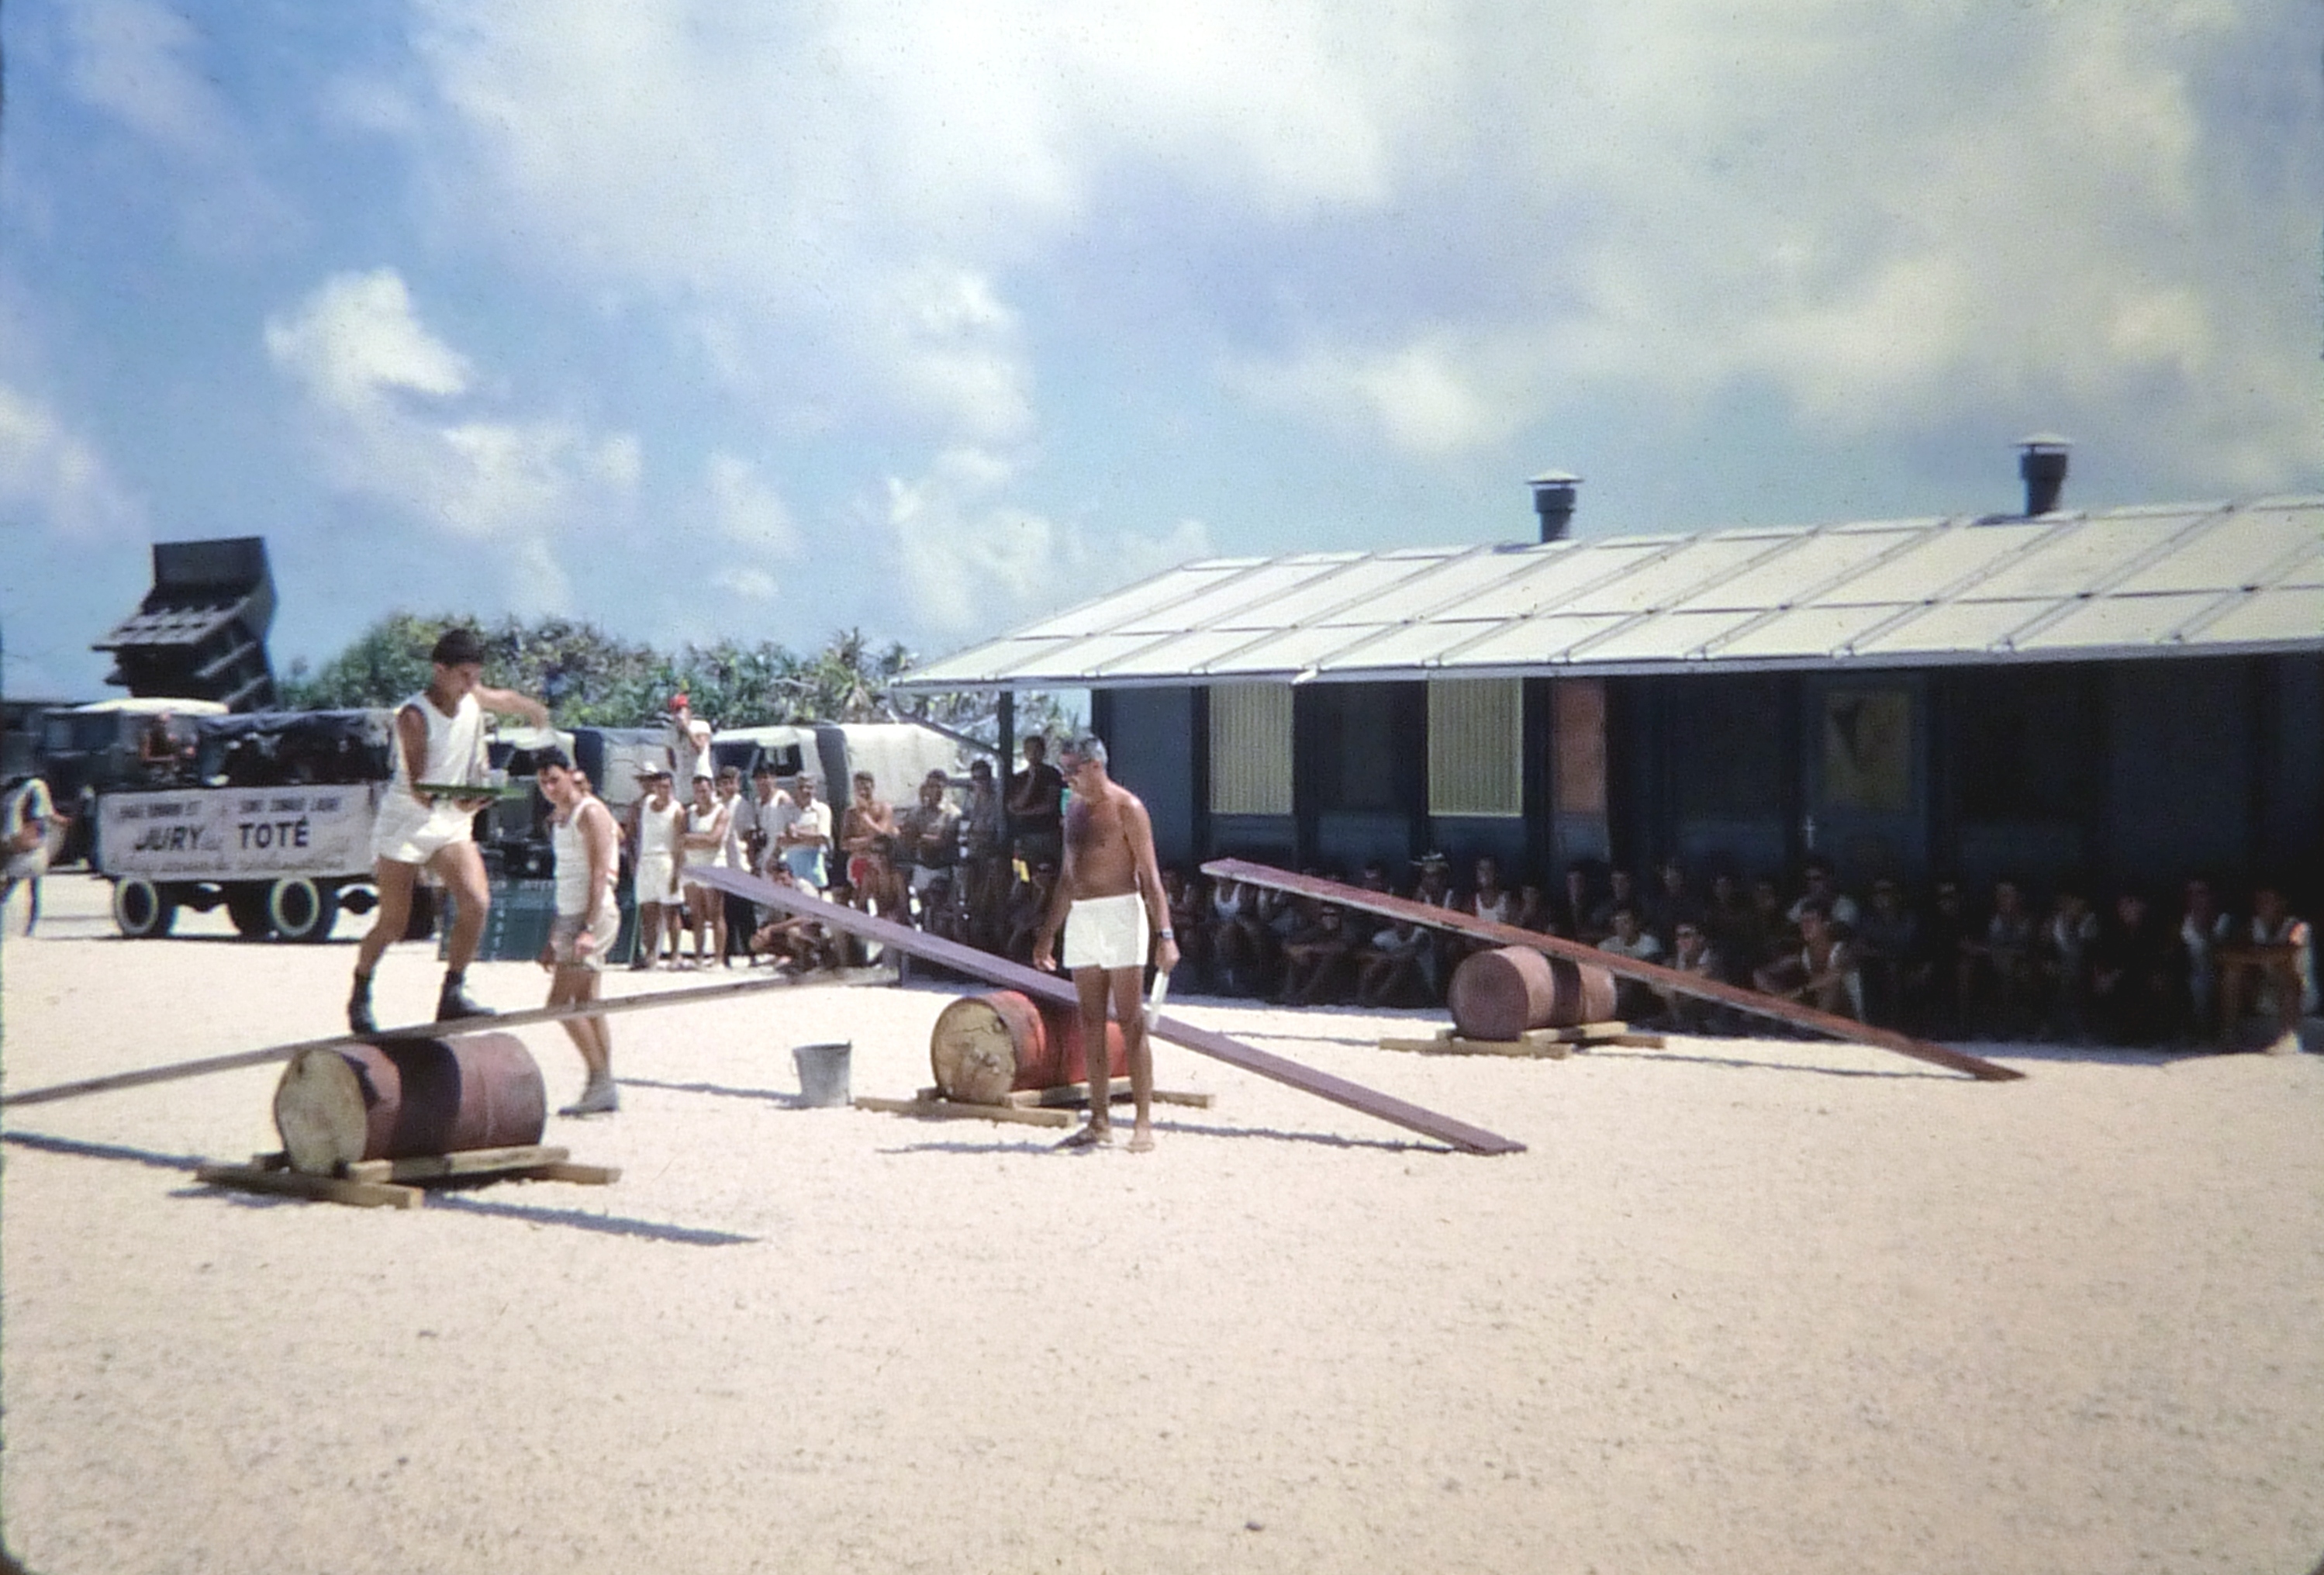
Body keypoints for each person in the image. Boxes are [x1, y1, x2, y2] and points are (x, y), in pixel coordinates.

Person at [347, 627, 551, 1034]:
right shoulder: (413, 716)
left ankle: (453, 992)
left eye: (476, 676)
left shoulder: (471, 696)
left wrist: (534, 711)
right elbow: (421, 789)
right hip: (407, 822)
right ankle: (360, 990)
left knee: (477, 902)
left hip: (451, 820)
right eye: (464, 676)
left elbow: (505, 700)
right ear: (440, 670)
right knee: (394, 923)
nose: (471, 684)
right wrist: (464, 800)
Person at [1031, 735, 1177, 1152]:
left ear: (1095, 766)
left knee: (1131, 1021)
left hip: (1121, 912)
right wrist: (1048, 933)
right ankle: (1099, 1121)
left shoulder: (1128, 808)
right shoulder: (1073, 809)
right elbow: (1068, 876)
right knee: (1090, 1020)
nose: (1066, 778)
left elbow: (1150, 878)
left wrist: (1165, 935)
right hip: (1083, 915)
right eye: (1064, 769)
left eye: (1072, 769)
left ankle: (1143, 1122)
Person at [534, 750, 620, 1116]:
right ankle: (602, 1084)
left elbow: (600, 872)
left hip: (592, 915)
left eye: (555, 779)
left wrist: (587, 928)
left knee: (558, 1004)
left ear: (571, 774)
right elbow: (564, 879)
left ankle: (600, 1080)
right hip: (570, 915)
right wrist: (555, 936)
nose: (550, 788)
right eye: (543, 783)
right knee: (588, 1001)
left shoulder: (591, 812)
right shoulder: (559, 818)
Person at [627, 767, 684, 969]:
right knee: (648, 911)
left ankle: (675, 954)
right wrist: (633, 861)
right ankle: (651, 954)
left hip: (666, 860)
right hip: (646, 860)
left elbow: (680, 844)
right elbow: (632, 830)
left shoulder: (677, 810)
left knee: (671, 911)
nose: (663, 791)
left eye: (667, 787)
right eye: (660, 787)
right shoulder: (645, 805)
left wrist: (677, 874)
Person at [895, 769, 962, 930]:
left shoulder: (953, 813)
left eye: (939, 786)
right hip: (922, 865)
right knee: (923, 908)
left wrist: (919, 837)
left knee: (941, 910)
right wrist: (922, 838)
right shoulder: (917, 812)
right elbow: (906, 836)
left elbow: (943, 841)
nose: (935, 790)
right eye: (931, 786)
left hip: (943, 869)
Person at [678, 772, 730, 967]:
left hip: (713, 865)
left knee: (715, 913)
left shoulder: (721, 812)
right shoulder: (689, 813)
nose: (701, 794)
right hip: (692, 866)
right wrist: (700, 840)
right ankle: (699, 956)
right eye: (698, 791)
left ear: (712, 790)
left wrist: (692, 839)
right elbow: (680, 838)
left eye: (705, 790)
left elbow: (714, 840)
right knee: (696, 914)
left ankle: (718, 958)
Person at [2, 772, 59, 937]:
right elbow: (38, 816)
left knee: (10, 885)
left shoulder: (17, 789)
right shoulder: (38, 787)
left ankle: (21, 926)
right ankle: (30, 928)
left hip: (13, 838)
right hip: (30, 843)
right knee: (33, 888)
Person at [1007, 734, 1065, 869]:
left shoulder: (1052, 774)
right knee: (1024, 873)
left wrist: (1023, 813)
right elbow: (1016, 804)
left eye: (1037, 750)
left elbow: (1049, 806)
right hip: (1025, 834)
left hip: (1047, 833)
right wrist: (1031, 780)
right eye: (1029, 750)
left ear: (1043, 752)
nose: (1033, 754)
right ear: (1024, 753)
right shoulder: (1019, 778)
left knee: (1048, 870)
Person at [772, 773, 832, 890]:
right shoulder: (786, 809)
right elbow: (781, 839)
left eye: (809, 787)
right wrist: (810, 833)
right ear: (796, 789)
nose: (805, 791)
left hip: (813, 867)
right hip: (790, 868)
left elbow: (822, 838)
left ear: (815, 790)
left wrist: (796, 832)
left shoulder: (822, 809)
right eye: (801, 787)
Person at [665, 693, 713, 789]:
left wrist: (686, 728)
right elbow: (671, 759)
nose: (678, 714)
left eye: (680, 710)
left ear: (688, 710)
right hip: (683, 781)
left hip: (701, 778)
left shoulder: (701, 725)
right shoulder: (671, 732)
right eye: (675, 711)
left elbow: (699, 748)